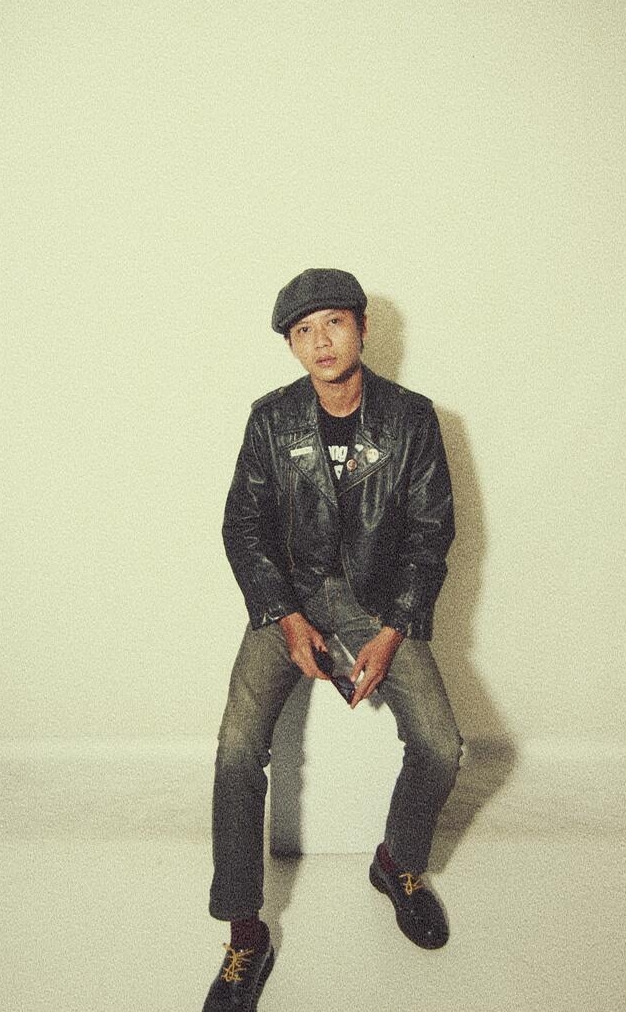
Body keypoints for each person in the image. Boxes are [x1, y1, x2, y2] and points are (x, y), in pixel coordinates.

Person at [202, 269, 462, 1012]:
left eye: (334, 323)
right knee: (237, 748)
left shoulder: (412, 419)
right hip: (288, 601)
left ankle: (397, 862)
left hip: (379, 604)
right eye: (303, 331)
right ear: (292, 345)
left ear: (363, 327)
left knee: (441, 744)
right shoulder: (270, 419)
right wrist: (285, 617)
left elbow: (430, 534)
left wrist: (394, 629)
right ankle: (245, 931)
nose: (320, 341)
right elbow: (243, 529)